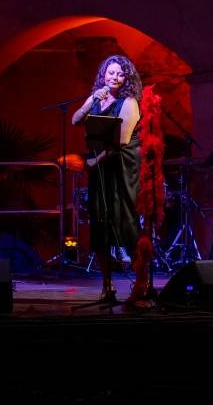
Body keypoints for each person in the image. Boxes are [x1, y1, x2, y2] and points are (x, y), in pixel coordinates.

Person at [72, 54, 146, 303]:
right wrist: (92, 100)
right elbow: (75, 119)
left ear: (127, 78)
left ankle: (141, 282)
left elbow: (121, 141)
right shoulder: (98, 97)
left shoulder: (129, 102)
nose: (114, 77)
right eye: (110, 72)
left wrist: (94, 161)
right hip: (100, 167)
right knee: (100, 222)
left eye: (120, 74)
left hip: (121, 166)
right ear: (103, 74)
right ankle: (107, 284)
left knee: (126, 221)